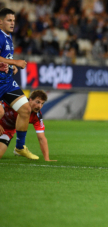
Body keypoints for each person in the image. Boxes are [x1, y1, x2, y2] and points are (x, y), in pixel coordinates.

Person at [0, 8, 33, 160]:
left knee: (26, 109)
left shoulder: (8, 36)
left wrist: (11, 67)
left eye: (13, 21)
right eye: (9, 20)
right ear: (0, 21)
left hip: (7, 82)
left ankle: (20, 147)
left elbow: (3, 58)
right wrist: (15, 62)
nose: (12, 23)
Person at [0, 90, 56, 161]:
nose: (39, 106)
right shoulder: (17, 102)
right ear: (30, 100)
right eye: (37, 102)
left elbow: (41, 138)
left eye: (42, 104)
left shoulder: (37, 116)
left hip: (7, 132)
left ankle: (19, 148)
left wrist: (47, 159)